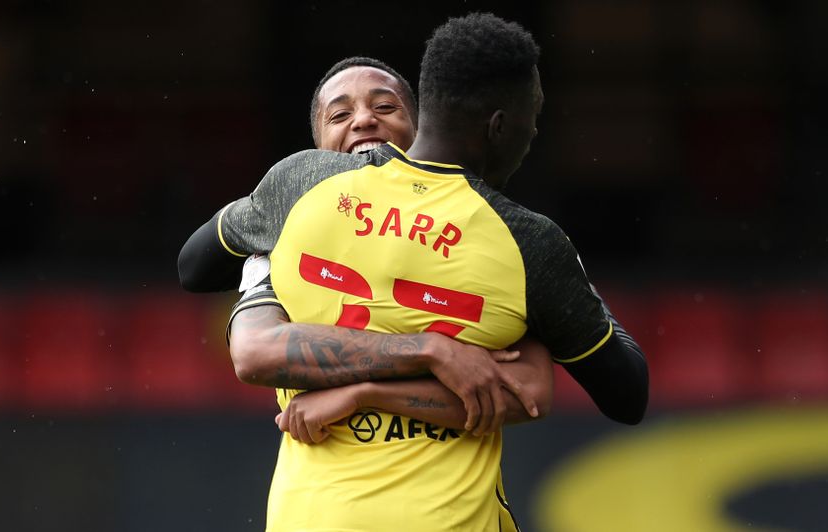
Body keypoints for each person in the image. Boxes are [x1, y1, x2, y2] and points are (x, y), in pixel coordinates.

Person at [182, 14, 648, 530]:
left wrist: (361, 388)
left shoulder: (299, 190)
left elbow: (195, 269)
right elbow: (624, 394)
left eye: (384, 107)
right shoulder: (525, 244)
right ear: (499, 125)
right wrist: (442, 346)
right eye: (533, 116)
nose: (364, 121)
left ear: (424, 112)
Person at [180, 55, 553, 436]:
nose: (363, 120)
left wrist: (366, 394)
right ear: (318, 151)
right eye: (340, 116)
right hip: (321, 477)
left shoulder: (483, 235)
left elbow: (532, 391)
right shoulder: (292, 234)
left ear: (422, 131)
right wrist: (433, 351)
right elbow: (211, 293)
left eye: (386, 107)